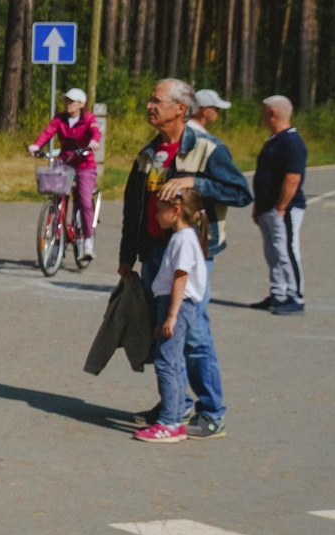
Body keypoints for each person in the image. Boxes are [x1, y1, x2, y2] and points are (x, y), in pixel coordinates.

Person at [118, 79, 249, 438]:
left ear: (181, 108)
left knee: (192, 333)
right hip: (154, 252)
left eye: (156, 100)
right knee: (161, 332)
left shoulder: (208, 148)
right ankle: (176, 405)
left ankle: (212, 411)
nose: (149, 106)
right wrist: (127, 255)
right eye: (149, 99)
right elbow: (134, 208)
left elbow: (240, 192)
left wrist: (197, 183)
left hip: (192, 253)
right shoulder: (148, 153)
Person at [134, 194, 213, 444]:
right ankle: (176, 418)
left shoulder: (183, 239)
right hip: (170, 304)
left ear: (176, 210)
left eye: (160, 209)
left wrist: (171, 315)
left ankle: (169, 422)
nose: (156, 215)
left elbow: (181, 277)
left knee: (167, 362)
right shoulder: (183, 238)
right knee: (172, 360)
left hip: (176, 304)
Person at [29, 88, 105, 262]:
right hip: (65, 161)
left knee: (85, 201)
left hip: (84, 164)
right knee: (57, 197)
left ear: (81, 104)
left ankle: (87, 242)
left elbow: (96, 132)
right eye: (66, 101)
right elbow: (48, 132)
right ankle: (56, 242)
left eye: (72, 101)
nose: (68, 104)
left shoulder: (88, 119)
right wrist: (36, 145)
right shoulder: (59, 118)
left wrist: (93, 142)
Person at [252, 95, 307, 314]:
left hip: (284, 208)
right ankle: (278, 293)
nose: (261, 116)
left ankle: (295, 297)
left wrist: (281, 206)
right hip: (268, 208)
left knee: (286, 251)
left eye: (263, 111)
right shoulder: (274, 140)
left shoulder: (292, 142)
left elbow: (293, 177)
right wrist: (259, 207)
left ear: (272, 113)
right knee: (273, 252)